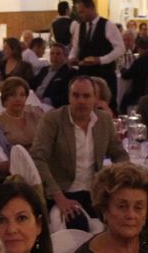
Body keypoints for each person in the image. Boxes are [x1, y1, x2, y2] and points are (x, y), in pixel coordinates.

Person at [30, 77, 129, 230]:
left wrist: (123, 182)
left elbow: (119, 153)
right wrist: (59, 198)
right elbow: (37, 158)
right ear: (69, 97)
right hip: (62, 192)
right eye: (76, 95)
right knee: (79, 225)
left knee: (125, 219)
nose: (81, 101)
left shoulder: (104, 121)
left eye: (86, 96)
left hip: (93, 193)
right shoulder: (53, 120)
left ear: (96, 98)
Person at [67, 0, 123, 100]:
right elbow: (76, 47)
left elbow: (120, 48)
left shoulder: (108, 25)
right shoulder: (80, 26)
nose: (80, 15)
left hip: (104, 73)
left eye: (82, 11)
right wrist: (72, 58)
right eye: (79, 12)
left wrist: (101, 60)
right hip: (85, 74)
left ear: (92, 8)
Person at [0, 77, 43, 149]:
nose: (18, 99)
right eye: (13, 95)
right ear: (5, 98)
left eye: (22, 95)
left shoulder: (35, 113)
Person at [31, 43, 76, 110]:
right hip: (34, 101)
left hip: (51, 106)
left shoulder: (70, 73)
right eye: (52, 53)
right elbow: (33, 84)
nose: (55, 56)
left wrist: (45, 100)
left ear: (65, 56)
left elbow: (66, 96)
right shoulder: (44, 70)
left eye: (58, 54)